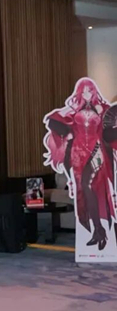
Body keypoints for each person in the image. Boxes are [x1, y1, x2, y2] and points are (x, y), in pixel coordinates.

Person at [44, 78, 117, 250]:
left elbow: (109, 131)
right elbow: (51, 120)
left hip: (97, 150)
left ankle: (100, 230)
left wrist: (103, 115)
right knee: (83, 190)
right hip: (78, 153)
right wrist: (68, 133)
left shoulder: (103, 109)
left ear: (94, 92)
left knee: (87, 183)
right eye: (83, 91)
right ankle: (98, 232)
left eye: (89, 91)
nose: (87, 94)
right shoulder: (73, 109)